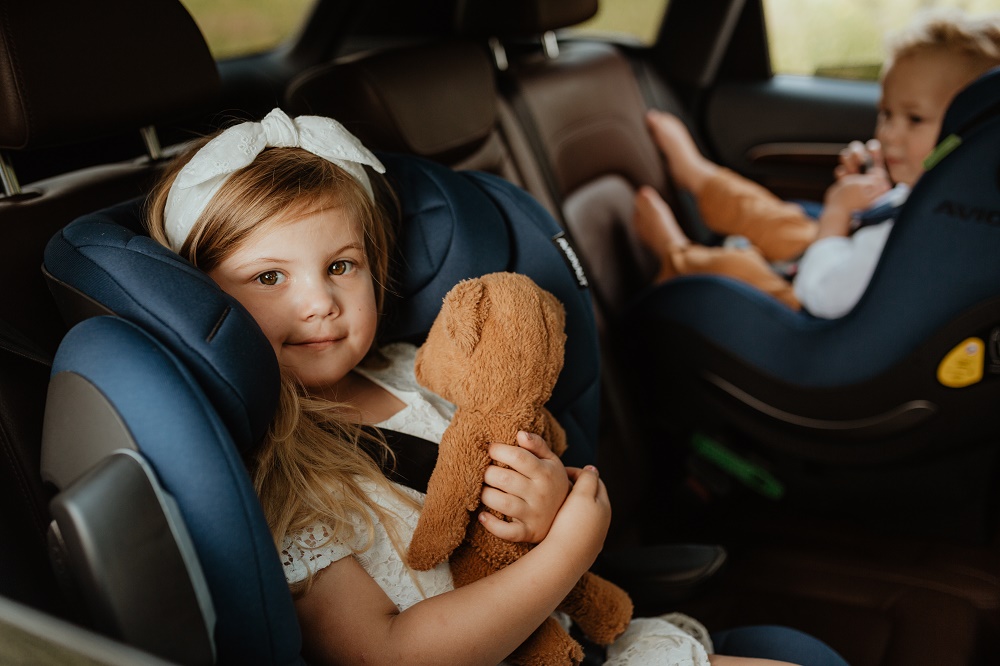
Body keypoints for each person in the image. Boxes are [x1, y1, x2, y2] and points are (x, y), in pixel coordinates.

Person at [146, 107, 849, 666]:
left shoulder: (420, 369)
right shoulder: (278, 471)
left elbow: (508, 491)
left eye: (341, 266)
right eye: (270, 277)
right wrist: (570, 551)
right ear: (206, 301)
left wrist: (545, 509)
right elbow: (387, 654)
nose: (320, 303)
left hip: (564, 638)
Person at [633, 9, 1000, 319]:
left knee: (737, 267)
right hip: (842, 270)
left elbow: (823, 296)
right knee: (787, 222)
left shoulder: (931, 236)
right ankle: (699, 177)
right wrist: (878, 196)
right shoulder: (961, 208)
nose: (888, 134)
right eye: (886, 113)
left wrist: (837, 214)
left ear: (971, 133)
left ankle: (676, 256)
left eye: (914, 119)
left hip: (816, 327)